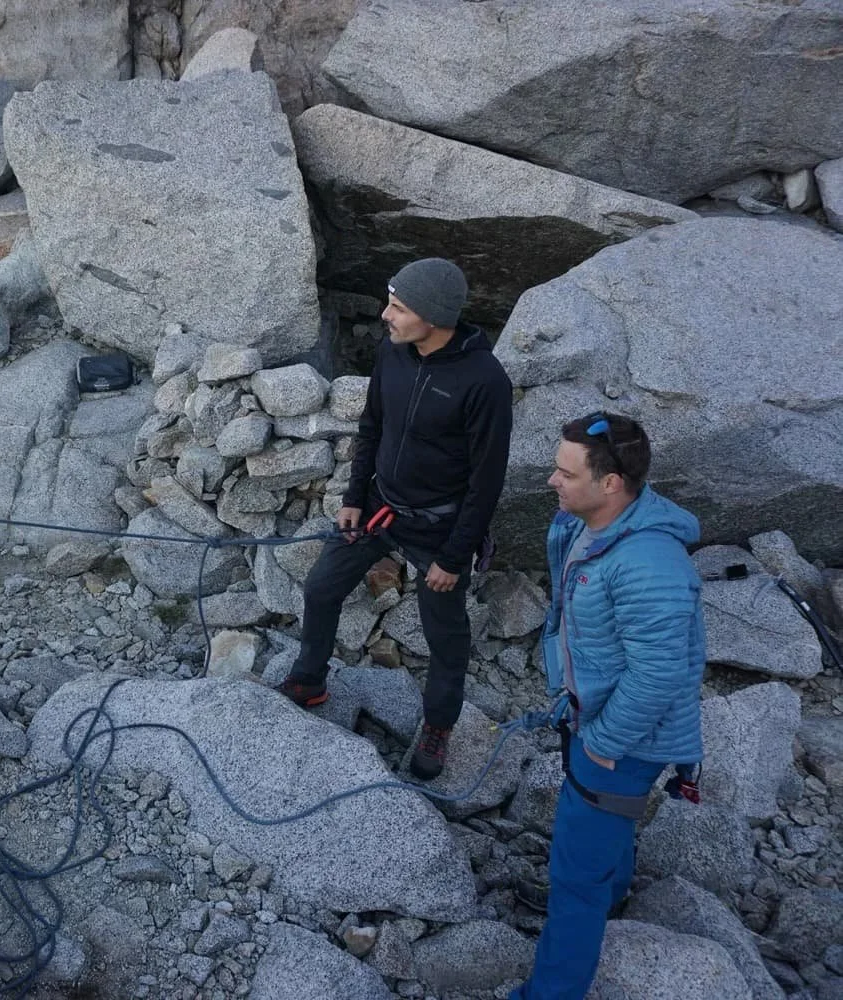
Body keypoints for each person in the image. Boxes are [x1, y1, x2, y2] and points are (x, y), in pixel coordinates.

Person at [275, 258, 512, 779]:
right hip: (381, 508)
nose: (386, 315)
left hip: (440, 529)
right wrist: (354, 496)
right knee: (321, 587)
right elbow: (372, 425)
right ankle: (309, 681)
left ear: (434, 316)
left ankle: (437, 727)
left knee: (444, 634)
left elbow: (486, 481)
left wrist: (453, 555)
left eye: (399, 307)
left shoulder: (485, 382)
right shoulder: (395, 351)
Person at [510, 413, 704, 1000]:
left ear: (611, 482)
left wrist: (603, 741)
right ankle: (614, 888)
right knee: (600, 842)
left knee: (574, 876)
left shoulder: (649, 565)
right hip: (592, 711)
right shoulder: (589, 524)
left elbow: (659, 677)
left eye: (565, 473)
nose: (551, 482)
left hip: (625, 736)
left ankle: (549, 992)